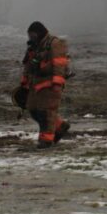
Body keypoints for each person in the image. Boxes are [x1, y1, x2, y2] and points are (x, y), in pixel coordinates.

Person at [17, 21, 71, 149]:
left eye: (33, 34)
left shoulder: (54, 43)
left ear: (39, 33)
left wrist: (57, 84)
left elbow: (59, 64)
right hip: (36, 84)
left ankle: (45, 140)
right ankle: (60, 126)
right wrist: (24, 83)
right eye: (30, 35)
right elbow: (28, 66)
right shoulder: (33, 47)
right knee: (33, 109)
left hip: (50, 84)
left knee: (46, 112)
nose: (31, 38)